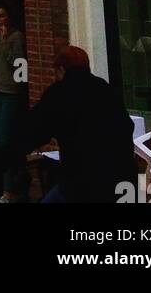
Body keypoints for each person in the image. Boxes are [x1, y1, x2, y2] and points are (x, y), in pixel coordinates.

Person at [19, 45, 137, 203]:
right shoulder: (105, 88)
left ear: (61, 70)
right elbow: (127, 126)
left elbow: (34, 130)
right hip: (124, 179)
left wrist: (15, 153)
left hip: (84, 183)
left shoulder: (59, 92)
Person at [0, 3, 29, 203]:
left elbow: (21, 67)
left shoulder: (17, 37)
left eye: (2, 15)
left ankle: (9, 190)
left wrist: (4, 42)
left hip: (11, 94)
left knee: (4, 141)